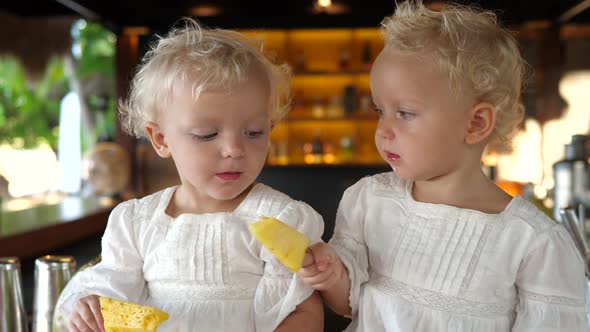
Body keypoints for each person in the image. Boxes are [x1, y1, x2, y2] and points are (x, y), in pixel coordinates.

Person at [299, 1, 588, 331]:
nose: (383, 129)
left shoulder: (534, 241)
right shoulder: (368, 201)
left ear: (475, 123)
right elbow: (347, 305)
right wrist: (331, 275)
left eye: (404, 113)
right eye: (381, 110)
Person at [55, 19, 325, 332]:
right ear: (161, 139)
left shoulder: (280, 219)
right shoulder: (136, 223)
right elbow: (111, 284)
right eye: (206, 134)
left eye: (253, 132)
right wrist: (90, 303)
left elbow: (303, 311)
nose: (234, 149)